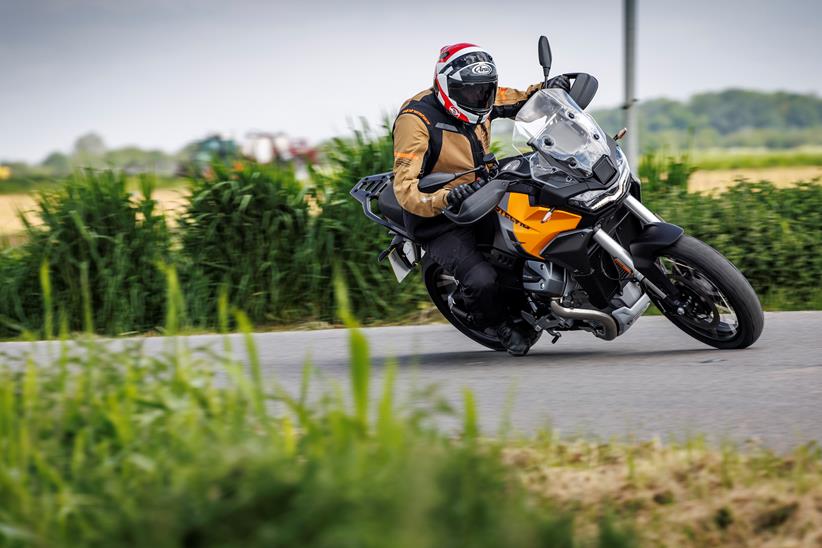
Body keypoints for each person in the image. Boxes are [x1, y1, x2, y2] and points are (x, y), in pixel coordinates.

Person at [392, 42, 570, 355]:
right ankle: (500, 324)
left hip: (484, 190)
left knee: (536, 223)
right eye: (473, 93)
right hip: (437, 214)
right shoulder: (415, 120)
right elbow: (406, 189)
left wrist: (547, 89)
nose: (481, 99)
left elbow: (517, 99)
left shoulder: (481, 96)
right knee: (481, 278)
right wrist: (445, 198)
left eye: (485, 91)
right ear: (448, 87)